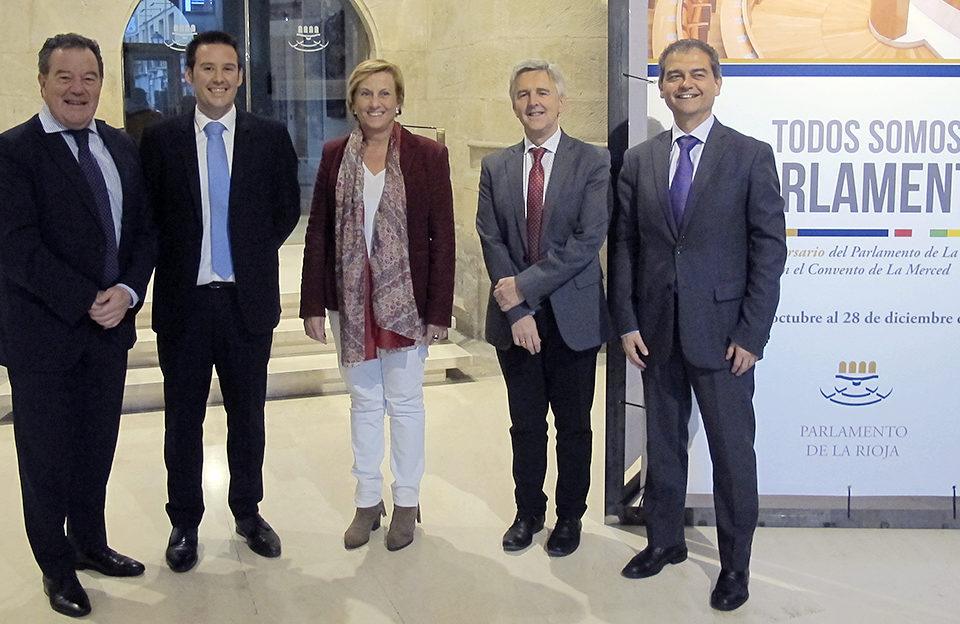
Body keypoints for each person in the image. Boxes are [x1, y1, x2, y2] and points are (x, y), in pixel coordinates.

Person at [610, 39, 786, 611]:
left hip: (725, 336)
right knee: (663, 445)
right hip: (656, 331)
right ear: (660, 86)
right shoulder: (639, 160)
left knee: (733, 454)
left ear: (716, 83)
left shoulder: (750, 155)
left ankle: (736, 565)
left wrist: (752, 334)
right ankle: (665, 542)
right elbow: (628, 247)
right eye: (673, 75)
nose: (685, 84)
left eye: (697, 75)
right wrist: (628, 320)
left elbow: (769, 250)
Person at [0, 33, 156, 617]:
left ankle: (90, 544)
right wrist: (86, 297)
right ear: (42, 82)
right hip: (44, 334)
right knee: (44, 460)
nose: (77, 88)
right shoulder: (12, 151)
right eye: (64, 77)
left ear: (101, 83)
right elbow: (16, 247)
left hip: (109, 332)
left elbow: (143, 231)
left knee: (97, 448)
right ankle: (57, 569)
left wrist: (128, 290)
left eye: (88, 77)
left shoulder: (119, 145)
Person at [140, 30, 300, 573]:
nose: (219, 78)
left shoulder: (269, 136)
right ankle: (184, 521)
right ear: (188, 75)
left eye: (229, 68)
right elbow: (150, 220)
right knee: (182, 421)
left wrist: (248, 258)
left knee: (247, 418)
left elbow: (284, 210)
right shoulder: (161, 141)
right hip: (184, 305)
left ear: (240, 74)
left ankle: (247, 512)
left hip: (245, 303)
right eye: (207, 68)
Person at [300, 59, 454, 552]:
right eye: (365, 94)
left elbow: (443, 237)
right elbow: (319, 231)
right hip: (351, 300)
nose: (375, 103)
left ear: (399, 100)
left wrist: (437, 310)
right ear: (353, 101)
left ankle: (406, 500)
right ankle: (368, 500)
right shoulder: (333, 155)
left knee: (405, 403)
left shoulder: (427, 155)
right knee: (364, 403)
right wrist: (313, 305)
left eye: (384, 94)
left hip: (406, 300)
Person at [476, 60, 610, 557]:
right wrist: (517, 312)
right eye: (523, 93)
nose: (533, 101)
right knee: (526, 424)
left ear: (561, 101)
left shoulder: (594, 161)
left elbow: (586, 240)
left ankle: (569, 516)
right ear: (513, 104)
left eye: (542, 92)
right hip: (516, 323)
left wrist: (524, 289)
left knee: (574, 425)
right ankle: (527, 511)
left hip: (574, 320)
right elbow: (491, 238)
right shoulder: (496, 166)